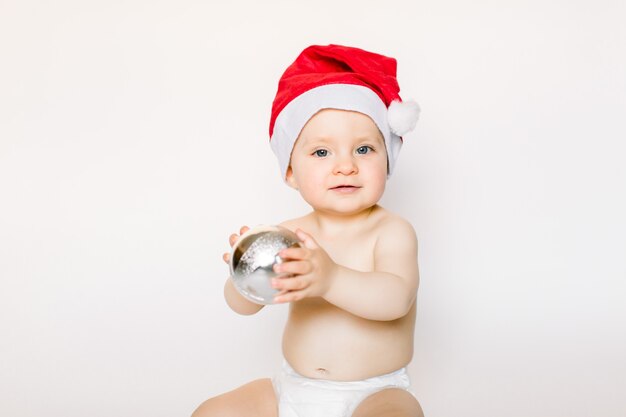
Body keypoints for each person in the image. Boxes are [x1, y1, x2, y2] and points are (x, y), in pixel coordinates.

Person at [192, 44, 424, 417]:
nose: (345, 166)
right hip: (293, 389)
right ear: (289, 172)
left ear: (389, 159)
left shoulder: (391, 231)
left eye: (364, 149)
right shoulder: (288, 235)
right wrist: (244, 276)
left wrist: (329, 278)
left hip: (375, 392)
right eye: (321, 153)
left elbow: (396, 300)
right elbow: (241, 307)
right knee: (212, 412)